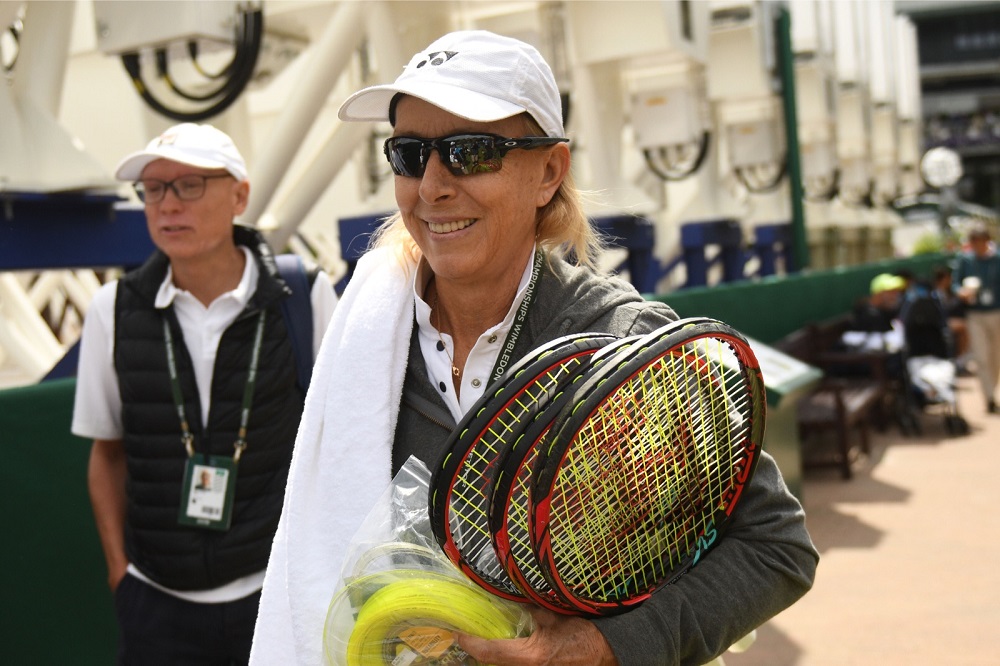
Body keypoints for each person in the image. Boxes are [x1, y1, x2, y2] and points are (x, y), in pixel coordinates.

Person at [250, 30, 817, 666]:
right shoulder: (366, 340)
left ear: (548, 172)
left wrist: (607, 647)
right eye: (409, 154)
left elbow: (777, 547)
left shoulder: (624, 345)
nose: (432, 185)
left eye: (470, 152)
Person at [71, 122, 338, 665]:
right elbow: (106, 453)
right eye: (154, 189)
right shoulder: (113, 310)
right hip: (156, 602)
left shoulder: (304, 296)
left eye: (189, 185)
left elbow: (338, 444)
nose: (168, 204)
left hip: (276, 591)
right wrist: (120, 574)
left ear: (239, 195)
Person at [953, 223, 1000, 413]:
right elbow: (956, 284)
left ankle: (992, 389)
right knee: (981, 356)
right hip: (975, 313)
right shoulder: (965, 260)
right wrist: (962, 293)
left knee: (995, 357)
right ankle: (988, 397)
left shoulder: (997, 259)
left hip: (996, 312)